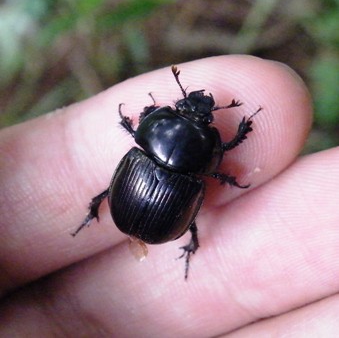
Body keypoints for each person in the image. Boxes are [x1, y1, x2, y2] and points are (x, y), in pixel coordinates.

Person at [0, 56, 337, 336]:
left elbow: (147, 129)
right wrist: (243, 126)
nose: (196, 109)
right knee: (191, 217)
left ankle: (94, 214)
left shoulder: (144, 144)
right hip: (161, 215)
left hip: (132, 206)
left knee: (113, 194)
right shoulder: (200, 159)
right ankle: (186, 243)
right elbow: (227, 147)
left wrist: (148, 114)